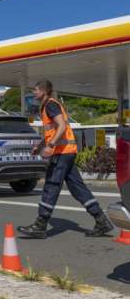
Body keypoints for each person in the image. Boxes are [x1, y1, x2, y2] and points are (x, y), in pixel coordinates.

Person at [18, 80, 113, 239]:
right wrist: (41, 145)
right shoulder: (48, 105)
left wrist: (50, 146)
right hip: (66, 152)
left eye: (35, 90)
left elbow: (61, 126)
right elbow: (52, 131)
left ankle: (40, 225)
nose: (33, 93)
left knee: (51, 185)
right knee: (78, 188)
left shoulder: (50, 104)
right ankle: (101, 220)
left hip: (61, 153)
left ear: (43, 91)